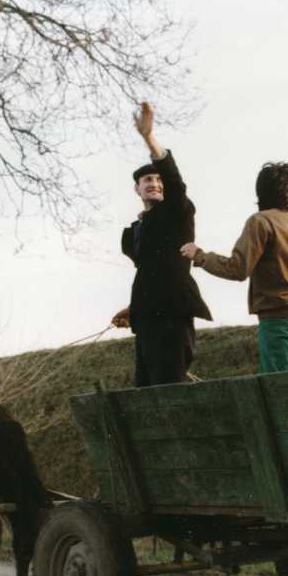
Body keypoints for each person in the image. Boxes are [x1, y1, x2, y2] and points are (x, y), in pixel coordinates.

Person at [180, 162, 288, 374]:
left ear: (261, 191)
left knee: (279, 393)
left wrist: (200, 256)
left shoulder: (260, 221)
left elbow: (238, 269)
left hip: (277, 322)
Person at [111, 102, 212, 387]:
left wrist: (148, 138)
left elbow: (174, 180)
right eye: (147, 179)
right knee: (145, 392)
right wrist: (135, 308)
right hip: (147, 322)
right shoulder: (136, 231)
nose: (154, 183)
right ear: (137, 188)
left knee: (170, 391)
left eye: (157, 179)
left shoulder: (177, 211)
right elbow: (153, 273)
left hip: (172, 318)